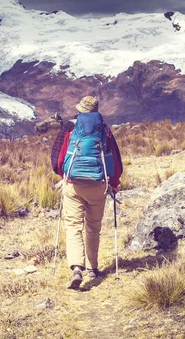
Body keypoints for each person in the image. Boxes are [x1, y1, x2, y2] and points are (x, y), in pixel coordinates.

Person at [50, 95, 123, 289]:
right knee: (93, 227)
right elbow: (114, 160)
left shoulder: (70, 128)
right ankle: (92, 267)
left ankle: (76, 268)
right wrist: (113, 182)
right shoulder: (104, 130)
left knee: (73, 226)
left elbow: (57, 159)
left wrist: (63, 174)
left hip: (73, 184)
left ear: (81, 110)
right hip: (97, 185)